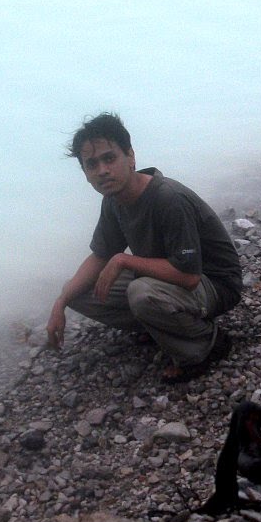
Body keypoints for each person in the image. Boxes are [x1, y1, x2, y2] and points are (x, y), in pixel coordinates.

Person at [47, 113, 242, 382]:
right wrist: (61, 302)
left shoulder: (167, 198)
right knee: (78, 290)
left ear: (131, 157)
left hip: (215, 284)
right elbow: (101, 255)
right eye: (92, 164)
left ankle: (206, 345)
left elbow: (189, 276)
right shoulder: (114, 201)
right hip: (168, 278)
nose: (103, 170)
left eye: (110, 158)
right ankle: (161, 325)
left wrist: (124, 261)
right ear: (85, 174)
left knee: (141, 292)